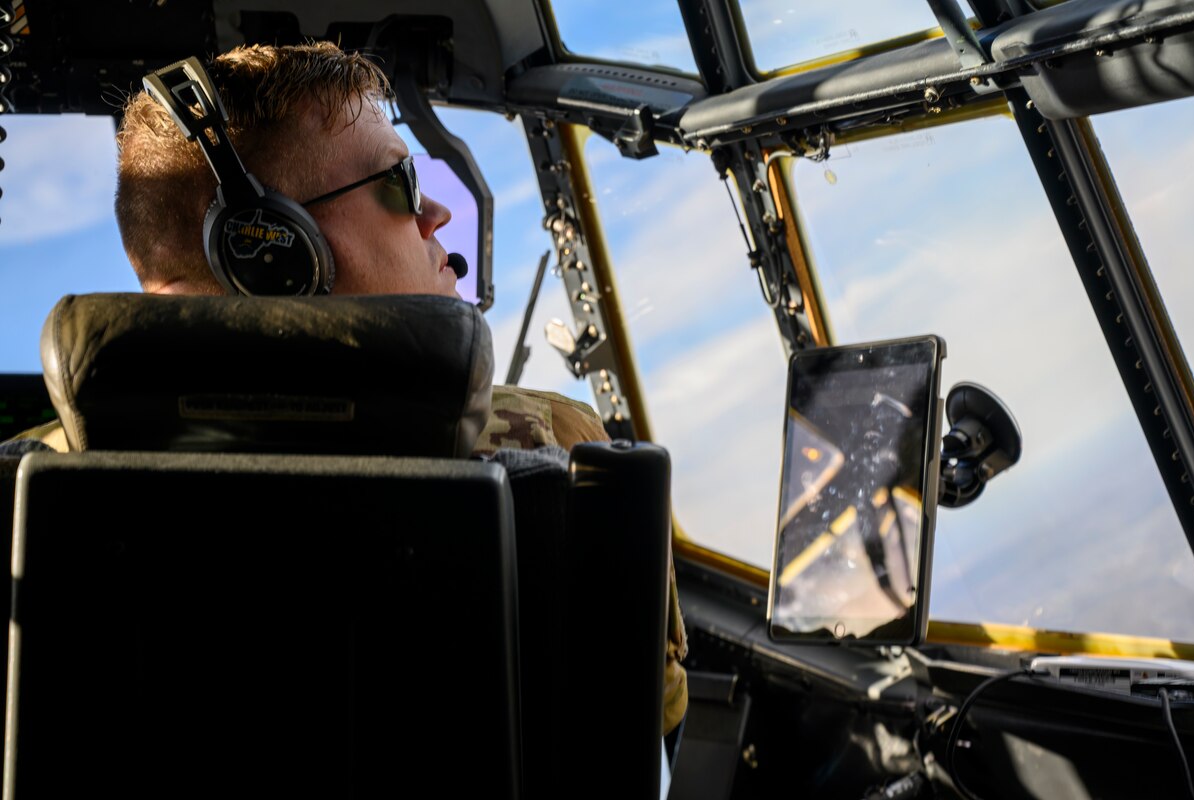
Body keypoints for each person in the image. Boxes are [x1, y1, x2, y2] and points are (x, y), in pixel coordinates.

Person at [1, 41, 687, 735]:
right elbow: (647, 727)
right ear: (275, 252)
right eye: (403, 183)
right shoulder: (554, 445)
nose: (438, 217)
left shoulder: (18, 492)